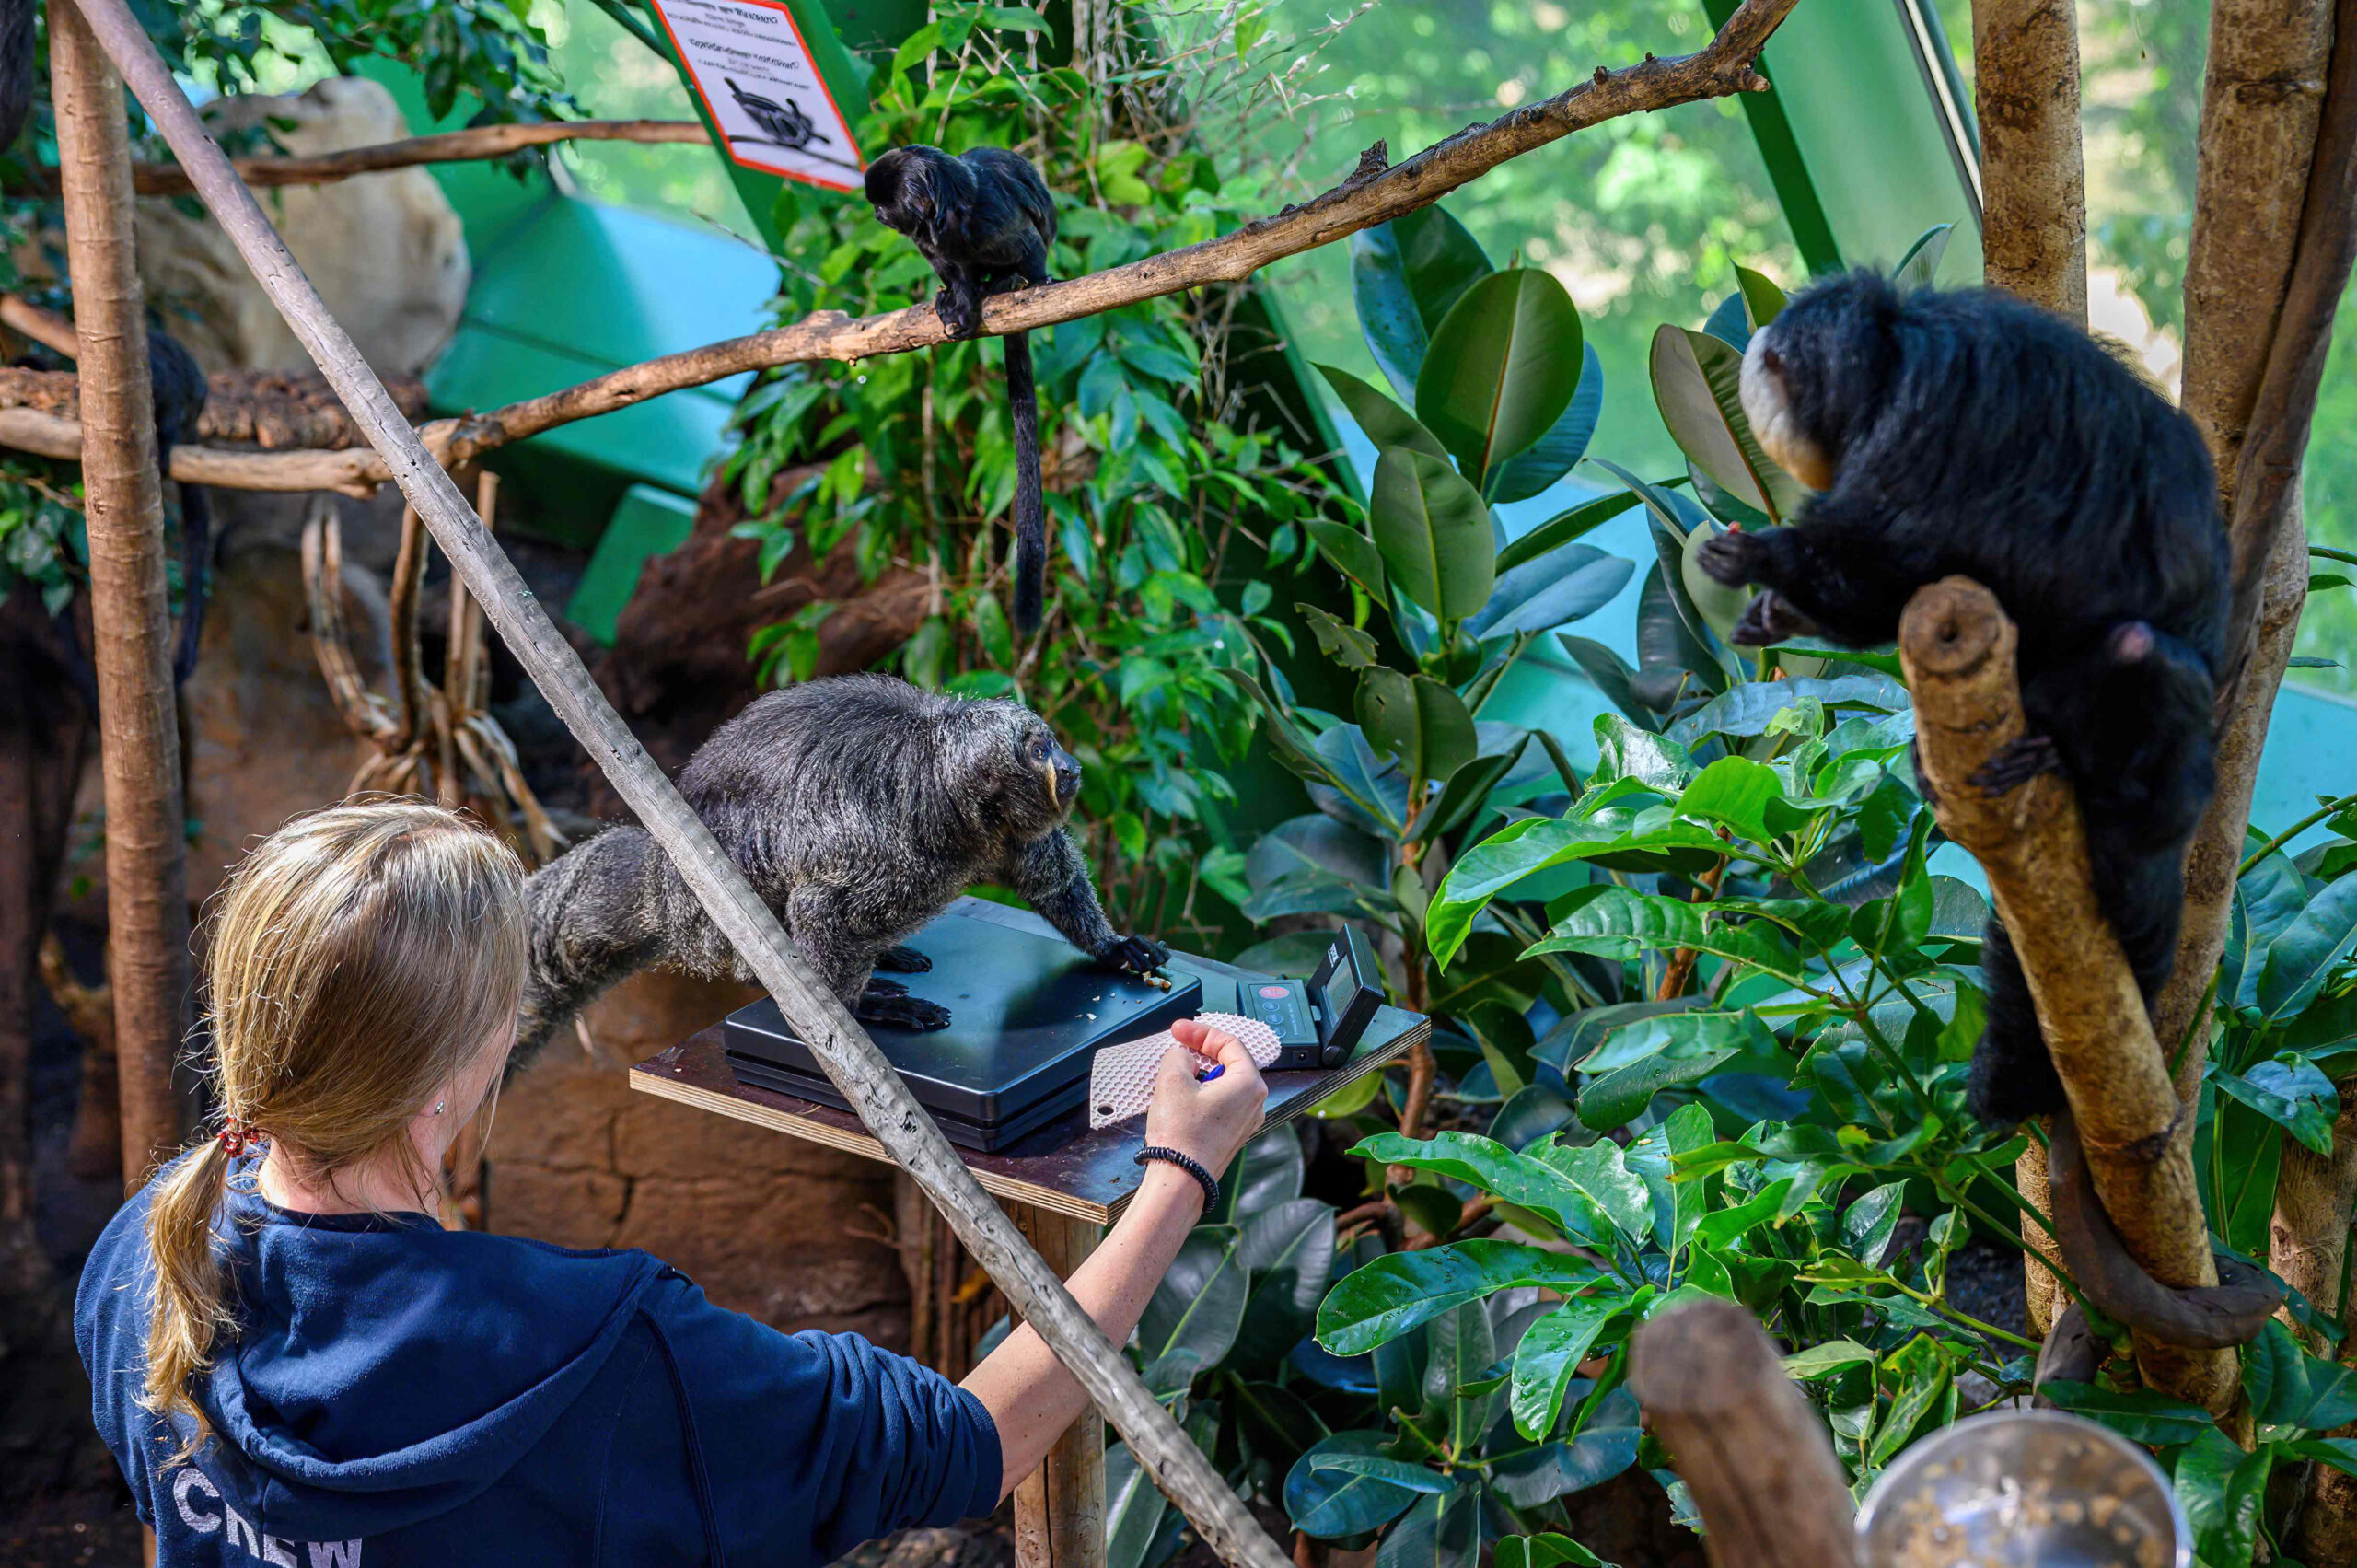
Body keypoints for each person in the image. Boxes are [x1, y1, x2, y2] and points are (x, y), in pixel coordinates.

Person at [76, 800, 1267, 1566]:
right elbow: (962, 1445)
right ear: (454, 1070)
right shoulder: (596, 1351)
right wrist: (1178, 1171)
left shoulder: (138, 1255)